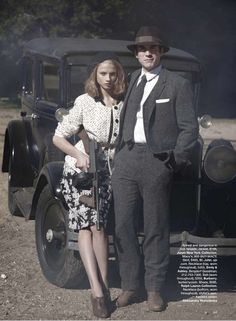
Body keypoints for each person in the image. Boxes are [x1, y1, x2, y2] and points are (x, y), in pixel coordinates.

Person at [111, 26, 199, 312]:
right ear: (136, 54)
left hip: (157, 162)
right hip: (126, 160)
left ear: (160, 52)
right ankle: (129, 287)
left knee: (155, 228)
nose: (147, 52)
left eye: (153, 48)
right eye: (142, 49)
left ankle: (154, 289)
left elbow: (189, 129)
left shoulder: (176, 84)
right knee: (123, 225)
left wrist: (173, 161)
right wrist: (118, 152)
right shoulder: (134, 78)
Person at [53, 51, 126, 318]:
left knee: (100, 228)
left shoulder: (123, 103)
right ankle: (96, 291)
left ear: (119, 75)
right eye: (102, 73)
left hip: (107, 173)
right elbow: (58, 137)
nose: (107, 78)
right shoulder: (85, 101)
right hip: (81, 172)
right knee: (86, 226)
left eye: (112, 73)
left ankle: (105, 286)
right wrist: (79, 155)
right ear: (95, 75)